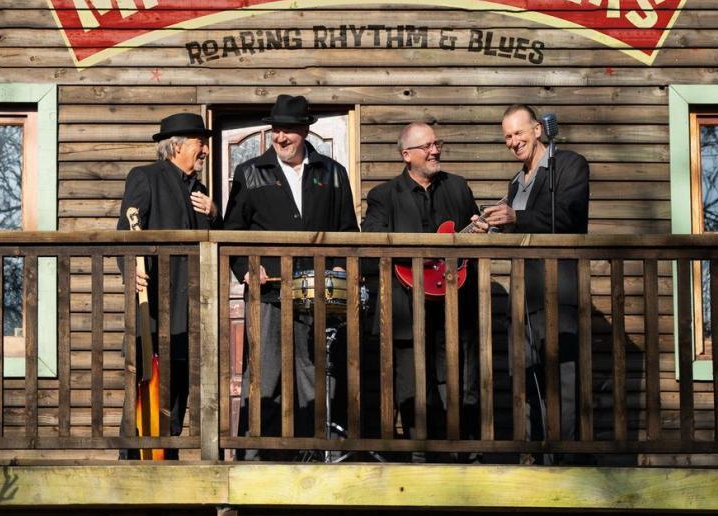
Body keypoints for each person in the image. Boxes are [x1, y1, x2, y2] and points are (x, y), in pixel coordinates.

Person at [223, 94, 358, 458]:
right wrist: (246, 270)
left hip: (320, 292)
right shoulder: (251, 171)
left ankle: (315, 452)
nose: (280, 137)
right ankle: (258, 458)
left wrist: (342, 270)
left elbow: (348, 231)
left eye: (288, 130)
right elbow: (232, 232)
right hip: (269, 292)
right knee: (265, 374)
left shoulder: (333, 173)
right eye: (276, 129)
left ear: (305, 130)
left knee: (316, 373)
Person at [478, 104, 589, 454]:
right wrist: (492, 228)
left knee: (564, 379)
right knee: (528, 377)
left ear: (538, 129)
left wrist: (516, 217)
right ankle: (535, 454)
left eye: (518, 133)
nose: (513, 142)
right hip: (524, 295)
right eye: (507, 137)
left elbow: (568, 217)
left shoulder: (568, 163)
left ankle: (567, 456)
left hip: (559, 289)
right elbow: (517, 228)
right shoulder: (515, 182)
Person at [361, 122, 480, 446]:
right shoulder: (383, 195)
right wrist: (423, 253)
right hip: (405, 305)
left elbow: (476, 230)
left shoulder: (458, 188)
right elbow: (370, 238)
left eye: (436, 144)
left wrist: (482, 230)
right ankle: (421, 454)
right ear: (406, 154)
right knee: (412, 382)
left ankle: (461, 451)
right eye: (427, 146)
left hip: (455, 302)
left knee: (458, 379)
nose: (435, 151)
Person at [117, 112, 220, 459]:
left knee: (178, 393)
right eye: (199, 143)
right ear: (177, 146)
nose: (204, 150)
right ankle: (132, 465)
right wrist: (131, 267)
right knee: (146, 388)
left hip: (189, 309)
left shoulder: (201, 191)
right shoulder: (146, 177)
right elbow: (127, 231)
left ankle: (168, 461)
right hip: (155, 306)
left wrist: (214, 214)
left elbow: (211, 246)